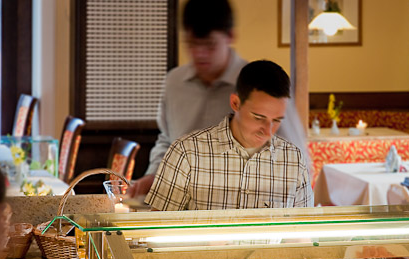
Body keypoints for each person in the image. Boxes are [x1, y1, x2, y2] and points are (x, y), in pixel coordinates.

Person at [146, 60, 317, 259]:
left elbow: (300, 231)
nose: (268, 130)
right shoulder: (188, 152)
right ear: (235, 103)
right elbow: (153, 235)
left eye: (276, 120)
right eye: (258, 117)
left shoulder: (292, 160)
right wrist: (205, 240)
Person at [129, 0, 309, 198]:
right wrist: (154, 175)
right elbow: (167, 139)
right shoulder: (174, 83)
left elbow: (297, 159)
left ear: (230, 36)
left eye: (210, 45)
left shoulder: (261, 84)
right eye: (192, 44)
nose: (200, 54)